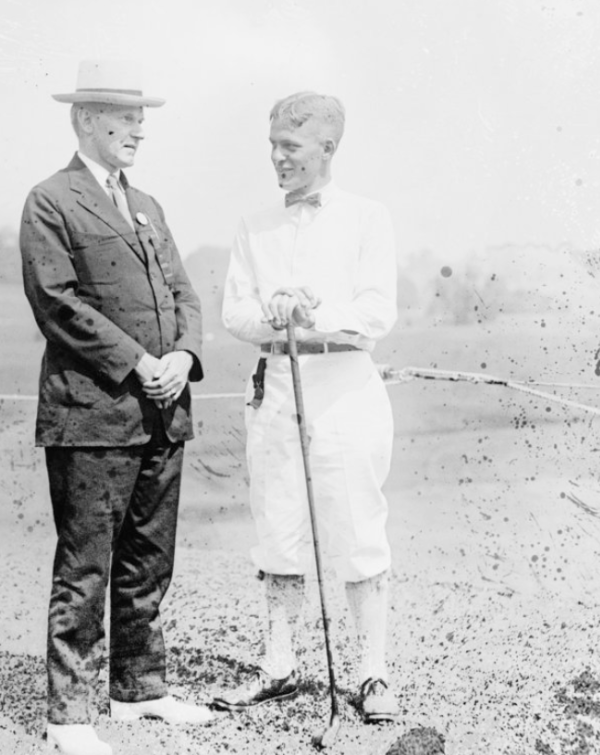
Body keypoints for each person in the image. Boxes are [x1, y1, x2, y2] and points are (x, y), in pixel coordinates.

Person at [19, 60, 211, 755]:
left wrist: (184, 358)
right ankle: (68, 713)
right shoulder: (51, 201)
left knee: (148, 560)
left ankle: (140, 689)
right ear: (83, 120)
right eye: (124, 118)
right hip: (91, 414)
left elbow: (186, 296)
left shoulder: (148, 205)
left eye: (140, 119)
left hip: (164, 411)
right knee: (87, 561)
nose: (138, 131)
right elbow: (58, 303)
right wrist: (138, 362)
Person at [214, 91, 400, 723]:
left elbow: (378, 311)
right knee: (278, 528)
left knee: (356, 529)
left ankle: (372, 674)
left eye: (289, 147)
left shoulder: (368, 217)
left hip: (345, 388)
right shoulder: (254, 224)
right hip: (274, 387)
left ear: (327, 147)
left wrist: (313, 309)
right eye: (272, 146)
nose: (277, 158)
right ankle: (279, 667)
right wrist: (268, 314)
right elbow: (232, 310)